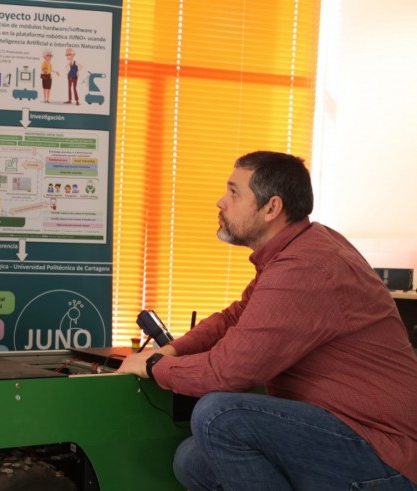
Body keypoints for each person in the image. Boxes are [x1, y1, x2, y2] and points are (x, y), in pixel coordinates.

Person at [117, 151, 417, 490]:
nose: (221, 202)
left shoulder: (304, 267)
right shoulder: (301, 246)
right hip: (343, 431)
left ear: (271, 208)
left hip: (385, 453)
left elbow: (226, 374)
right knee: (193, 460)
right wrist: (172, 351)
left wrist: (152, 365)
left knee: (220, 416)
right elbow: (234, 317)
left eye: (233, 192)